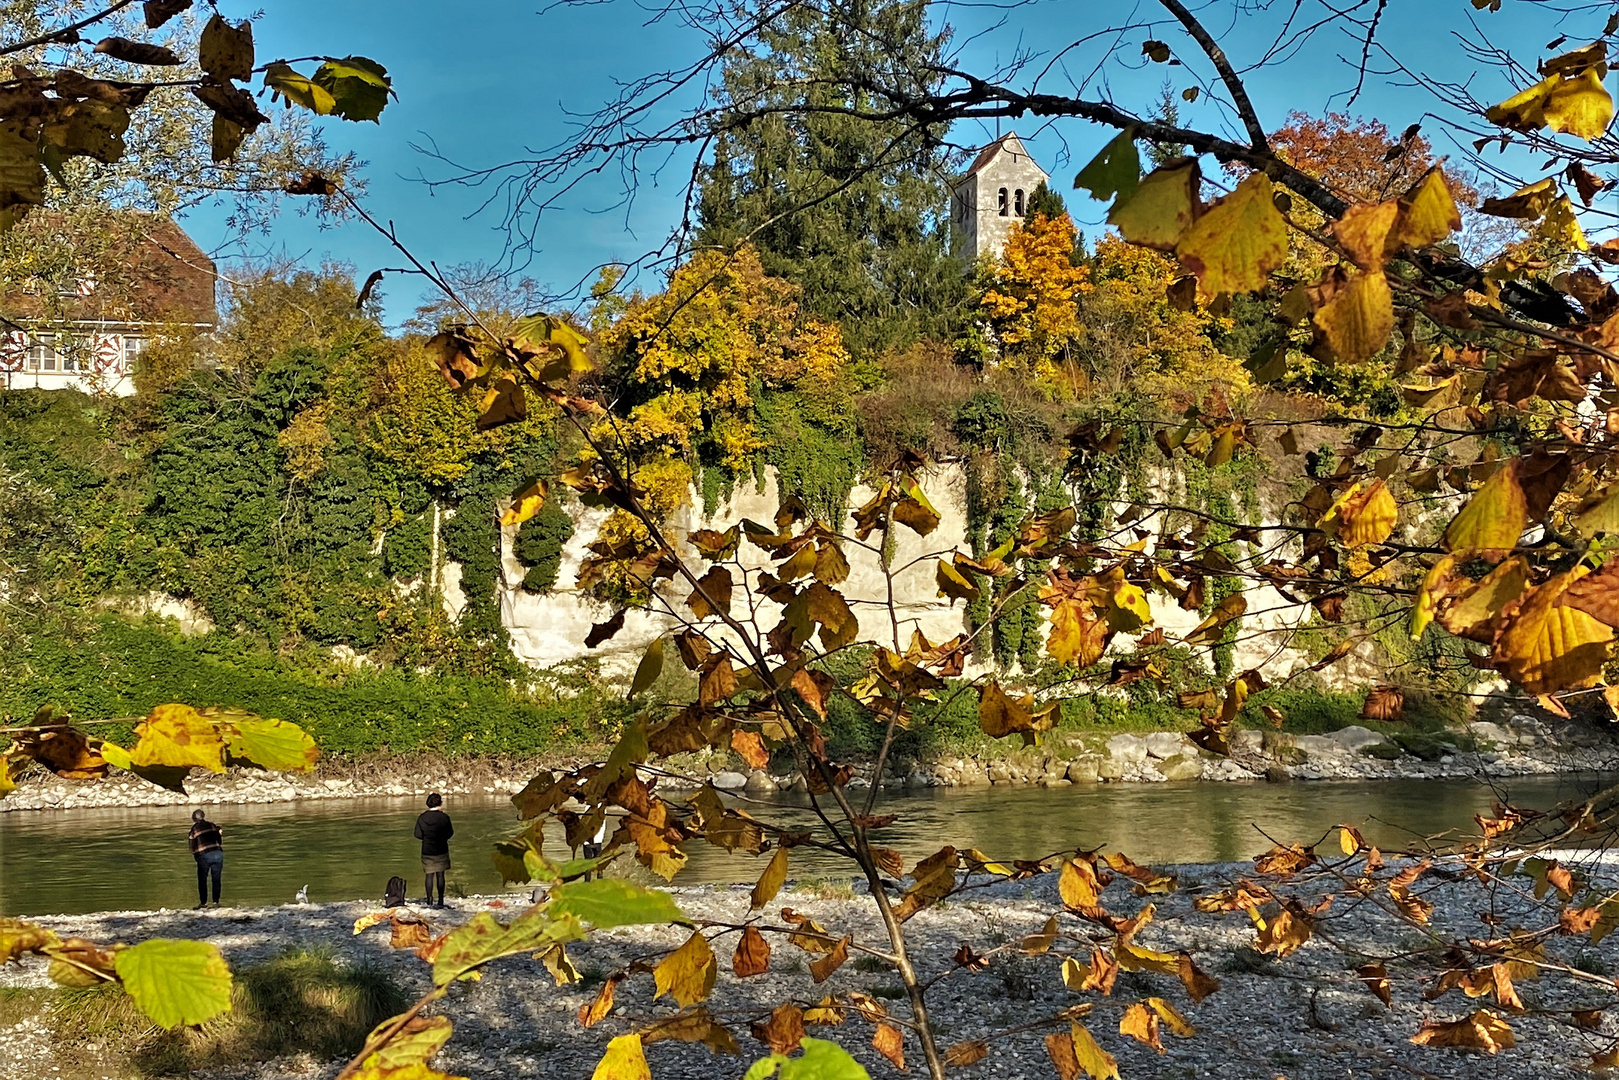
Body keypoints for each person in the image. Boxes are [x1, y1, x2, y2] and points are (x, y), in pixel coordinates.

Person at [414, 793, 453, 907]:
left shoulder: (422, 817)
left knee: (429, 875)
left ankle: (429, 900)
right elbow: (450, 833)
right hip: (441, 848)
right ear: (440, 803)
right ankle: (440, 900)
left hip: (427, 849)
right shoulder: (444, 817)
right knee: (440, 875)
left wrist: (426, 838)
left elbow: (417, 834)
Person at [188, 808, 224, 909]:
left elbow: (192, 846)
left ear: (194, 818)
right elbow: (219, 841)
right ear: (203, 816)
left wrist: (196, 856)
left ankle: (203, 903)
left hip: (204, 856)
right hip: (217, 854)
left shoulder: (194, 829)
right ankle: (216, 902)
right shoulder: (212, 825)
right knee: (216, 879)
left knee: (202, 879)